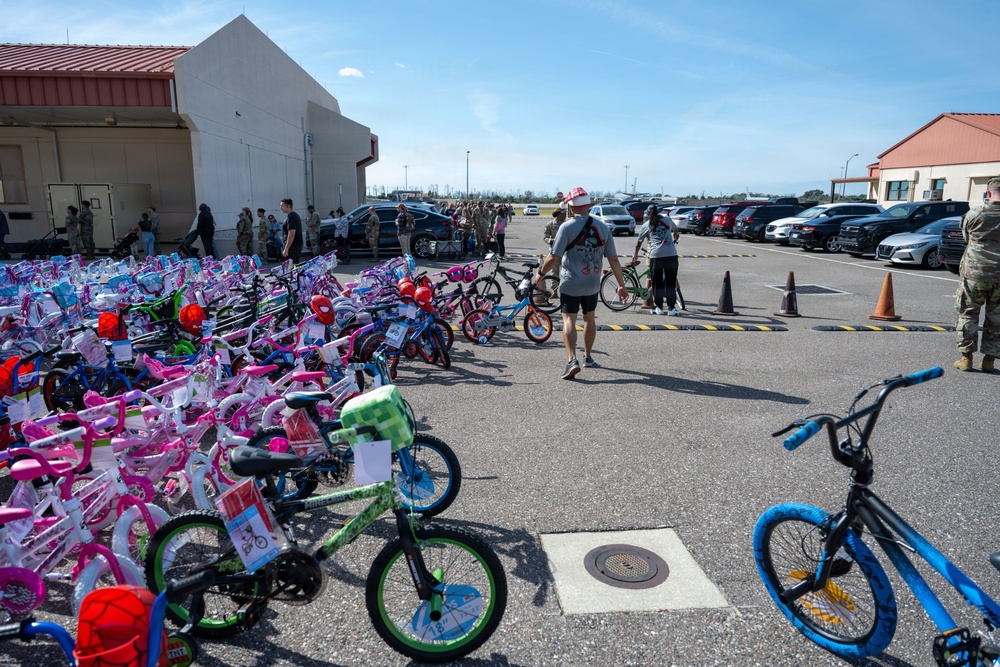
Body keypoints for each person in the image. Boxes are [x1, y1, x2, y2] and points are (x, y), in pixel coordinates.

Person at [536, 187, 628, 380]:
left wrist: (540, 273)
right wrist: (621, 284)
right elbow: (613, 260)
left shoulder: (566, 227)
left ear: (570, 206)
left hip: (571, 282)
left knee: (569, 319)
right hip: (592, 283)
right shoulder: (603, 227)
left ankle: (572, 360)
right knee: (590, 318)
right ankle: (588, 356)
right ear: (589, 205)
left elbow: (554, 256)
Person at [954, 175, 1000, 372]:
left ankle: (966, 359)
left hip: (975, 273)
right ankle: (989, 361)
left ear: (988, 193)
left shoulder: (975, 214)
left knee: (968, 314)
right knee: (997, 319)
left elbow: (966, 237)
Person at [631, 205, 680, 315]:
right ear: (658, 212)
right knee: (670, 281)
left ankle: (659, 308)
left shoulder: (646, 225)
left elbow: (638, 243)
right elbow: (676, 229)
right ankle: (671, 308)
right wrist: (675, 236)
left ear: (648, 214)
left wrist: (635, 255)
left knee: (657, 282)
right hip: (671, 254)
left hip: (656, 255)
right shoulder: (667, 220)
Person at [280, 198, 303, 263]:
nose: (280, 207)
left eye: (282, 206)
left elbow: (291, 234)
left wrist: (286, 249)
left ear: (288, 206)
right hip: (294, 246)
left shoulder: (291, 217)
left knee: (289, 268)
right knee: (291, 268)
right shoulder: (292, 216)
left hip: (292, 246)